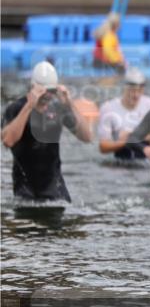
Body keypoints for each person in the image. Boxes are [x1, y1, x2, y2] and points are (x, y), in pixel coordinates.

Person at [2, 62, 93, 202]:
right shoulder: (17, 108)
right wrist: (29, 107)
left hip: (56, 189)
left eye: (51, 91)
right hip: (26, 190)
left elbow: (87, 136)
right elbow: (8, 140)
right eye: (43, 91)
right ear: (33, 87)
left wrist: (69, 104)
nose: (48, 95)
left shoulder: (57, 108)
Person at [96, 67, 150, 162]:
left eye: (140, 90)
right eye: (132, 90)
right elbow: (103, 147)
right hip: (120, 161)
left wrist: (132, 136)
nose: (136, 95)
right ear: (124, 88)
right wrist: (125, 142)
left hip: (145, 162)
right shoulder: (108, 108)